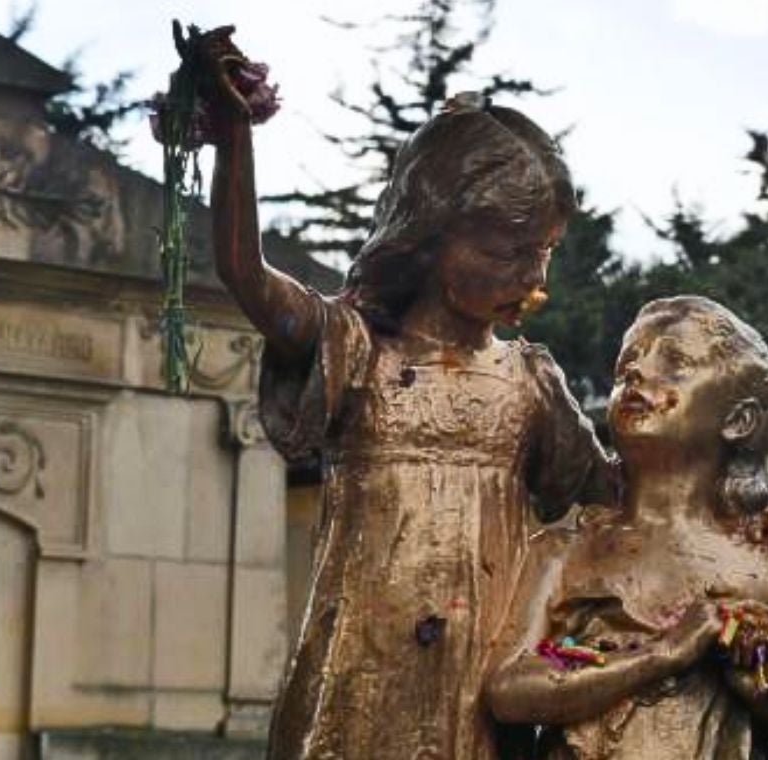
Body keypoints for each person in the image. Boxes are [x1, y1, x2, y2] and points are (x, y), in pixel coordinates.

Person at [193, 27, 614, 760]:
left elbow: (618, 498)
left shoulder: (530, 383)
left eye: (545, 253)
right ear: (431, 234)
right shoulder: (356, 350)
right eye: (510, 252)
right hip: (361, 683)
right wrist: (235, 139)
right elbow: (246, 276)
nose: (535, 280)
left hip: (484, 697)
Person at [485, 296, 768, 760]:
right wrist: (665, 653)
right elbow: (508, 688)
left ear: (739, 420)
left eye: (675, 362)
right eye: (627, 363)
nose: (636, 372)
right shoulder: (565, 553)